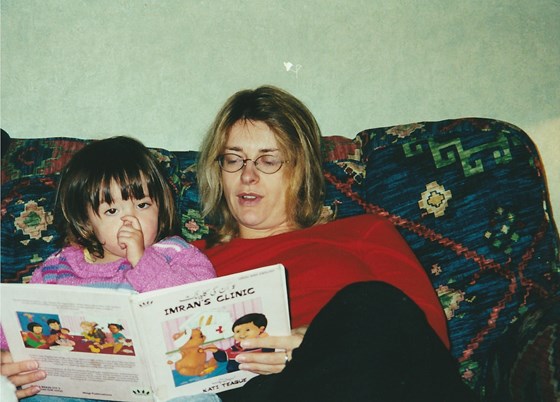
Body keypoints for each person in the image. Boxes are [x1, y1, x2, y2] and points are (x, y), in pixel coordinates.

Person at [193, 85, 476, 401]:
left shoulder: (363, 233)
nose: (248, 175)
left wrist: (314, 341)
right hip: (254, 392)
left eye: (268, 160)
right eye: (234, 159)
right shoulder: (184, 261)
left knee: (373, 303)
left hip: (369, 370)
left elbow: (425, 334)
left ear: (299, 171)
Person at [0, 136, 216, 400]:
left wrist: (143, 261)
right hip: (77, 387)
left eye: (143, 205)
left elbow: (200, 308)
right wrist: (6, 355)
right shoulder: (57, 267)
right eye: (112, 210)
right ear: (85, 220)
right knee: (34, 390)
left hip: (155, 388)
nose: (131, 220)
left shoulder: (177, 253)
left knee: (194, 395)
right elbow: (16, 322)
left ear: (161, 207)